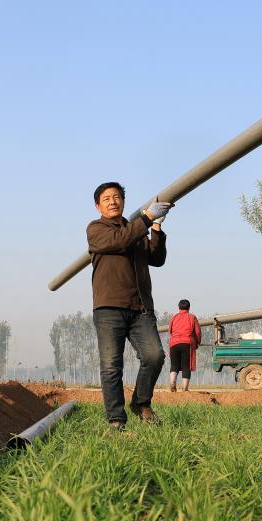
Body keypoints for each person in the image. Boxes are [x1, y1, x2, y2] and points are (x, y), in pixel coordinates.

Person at [87, 182, 174, 430]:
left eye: (117, 197)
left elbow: (157, 258)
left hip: (140, 309)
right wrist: (146, 219)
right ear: (98, 206)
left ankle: (140, 402)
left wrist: (156, 228)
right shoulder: (96, 229)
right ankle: (116, 420)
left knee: (154, 356)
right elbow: (120, 242)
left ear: (123, 202)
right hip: (109, 308)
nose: (113, 201)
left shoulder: (136, 230)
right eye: (107, 199)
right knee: (111, 366)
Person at [168, 299, 201, 391]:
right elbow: (198, 332)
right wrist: (197, 342)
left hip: (174, 343)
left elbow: (170, 330)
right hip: (187, 343)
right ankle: (185, 389)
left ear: (179, 307)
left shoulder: (174, 317)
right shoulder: (192, 317)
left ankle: (172, 382)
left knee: (174, 364)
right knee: (186, 366)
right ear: (189, 307)